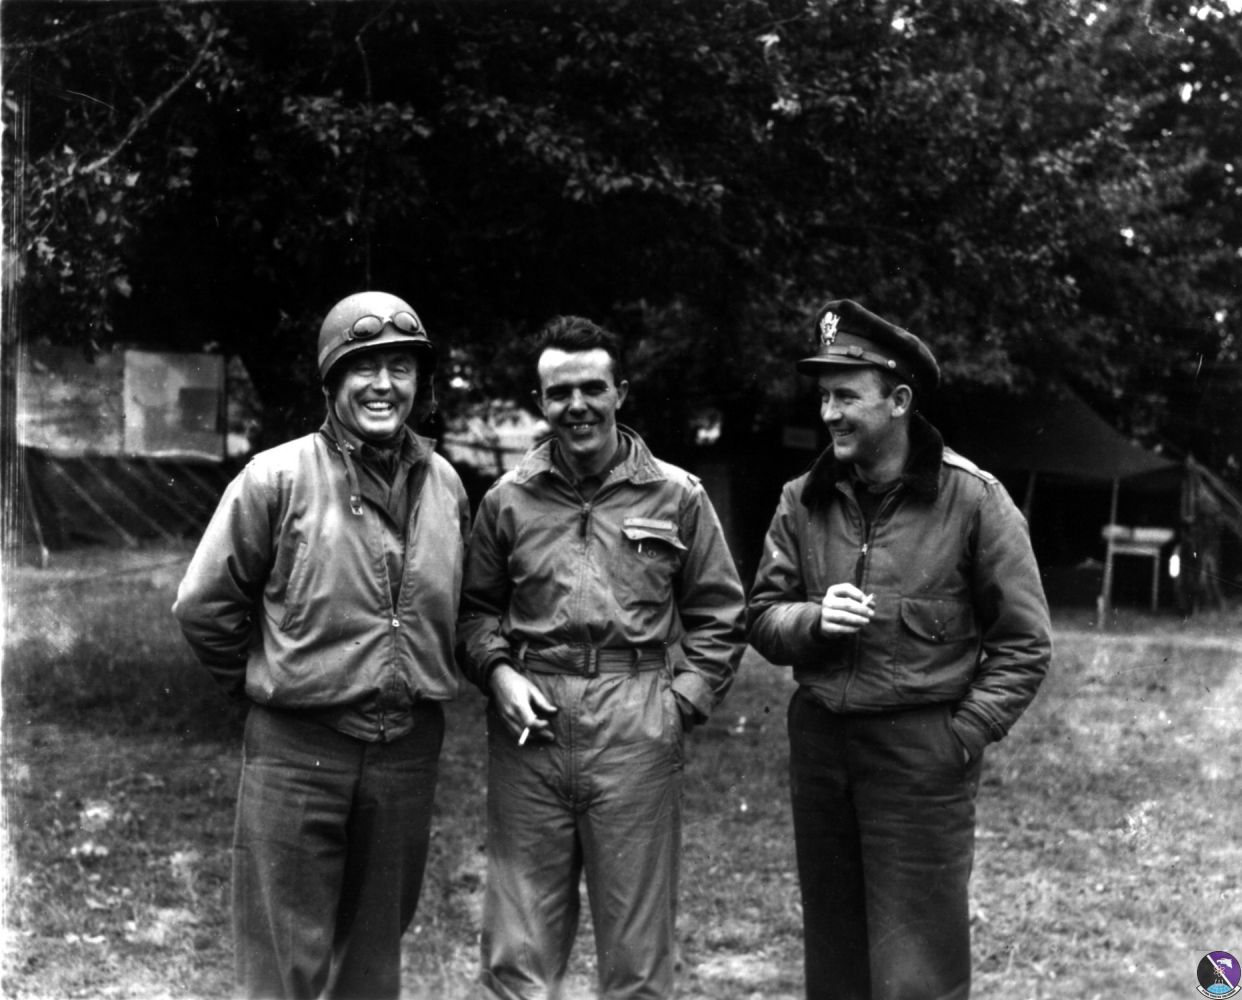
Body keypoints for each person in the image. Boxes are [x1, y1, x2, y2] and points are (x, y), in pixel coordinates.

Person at [747, 299, 1052, 1000]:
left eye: (846, 397)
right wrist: (812, 620)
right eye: (824, 397)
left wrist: (958, 738)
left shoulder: (975, 501)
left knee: (918, 970)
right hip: (821, 750)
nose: (829, 413)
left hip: (920, 758)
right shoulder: (802, 500)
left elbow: (1025, 644)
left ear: (900, 401)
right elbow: (762, 616)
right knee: (835, 963)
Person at [173, 291, 470, 1000]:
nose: (383, 385)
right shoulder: (276, 478)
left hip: (406, 752)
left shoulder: (446, 485)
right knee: (281, 963)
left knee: (372, 959)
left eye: (401, 367)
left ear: (420, 382)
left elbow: (461, 607)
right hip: (298, 752)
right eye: (363, 367)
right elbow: (204, 604)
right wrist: (267, 680)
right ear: (332, 381)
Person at [457, 315, 746, 1000]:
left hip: (635, 725)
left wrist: (679, 705)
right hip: (531, 730)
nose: (577, 405)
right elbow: (474, 611)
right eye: (560, 393)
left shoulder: (677, 495)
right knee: (517, 954)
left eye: (592, 388)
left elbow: (721, 615)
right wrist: (498, 673)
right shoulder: (508, 500)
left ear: (621, 392)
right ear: (540, 402)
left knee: (637, 960)